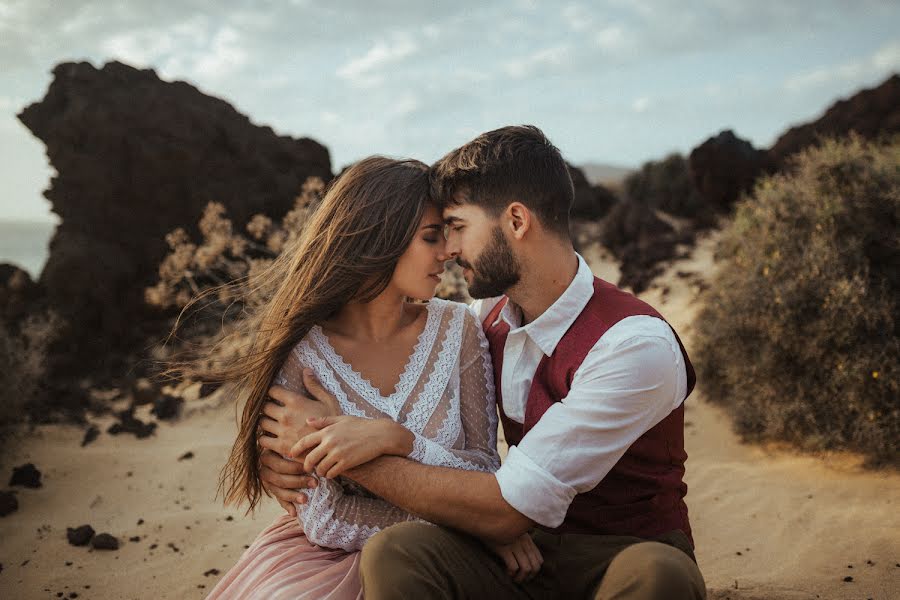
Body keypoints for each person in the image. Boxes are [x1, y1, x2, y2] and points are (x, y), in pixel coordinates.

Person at [258, 126, 708, 599]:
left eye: (456, 227)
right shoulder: (485, 322)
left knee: (661, 573)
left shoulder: (632, 344)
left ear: (516, 221)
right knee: (397, 551)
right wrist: (281, 462)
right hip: (519, 556)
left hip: (617, 557)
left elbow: (506, 509)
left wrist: (340, 453)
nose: (449, 251)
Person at [196, 156, 524, 599]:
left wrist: (395, 439)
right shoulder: (301, 354)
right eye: (431, 237)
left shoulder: (459, 329)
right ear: (380, 239)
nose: (447, 252)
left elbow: (484, 470)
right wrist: (472, 523)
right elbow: (324, 515)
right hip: (322, 561)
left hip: (438, 557)